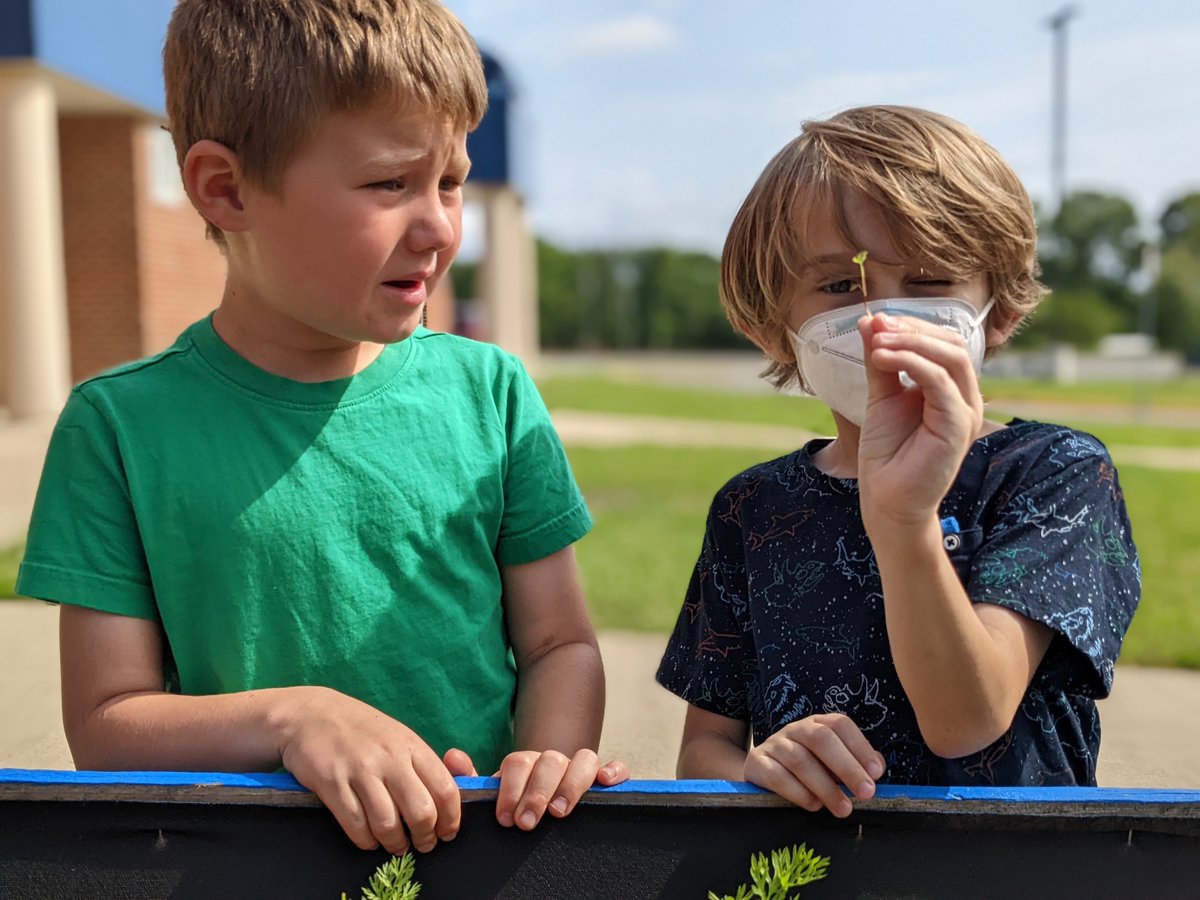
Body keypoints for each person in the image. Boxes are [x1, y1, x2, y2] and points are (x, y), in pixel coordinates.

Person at [16, 0, 625, 857]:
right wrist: (295, 718)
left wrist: (543, 765)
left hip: (478, 853)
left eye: (450, 181)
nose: (440, 226)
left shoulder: (493, 393)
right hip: (241, 866)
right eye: (390, 184)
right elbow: (107, 726)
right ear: (226, 189)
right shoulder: (117, 426)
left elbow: (560, 643)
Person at [655, 105, 1141, 816]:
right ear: (775, 326)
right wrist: (757, 766)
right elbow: (704, 749)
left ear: (999, 309)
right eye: (839, 286)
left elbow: (968, 719)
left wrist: (905, 520)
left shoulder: (1052, 474)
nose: (881, 318)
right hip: (811, 863)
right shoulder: (751, 508)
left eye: (929, 278)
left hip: (1010, 863)